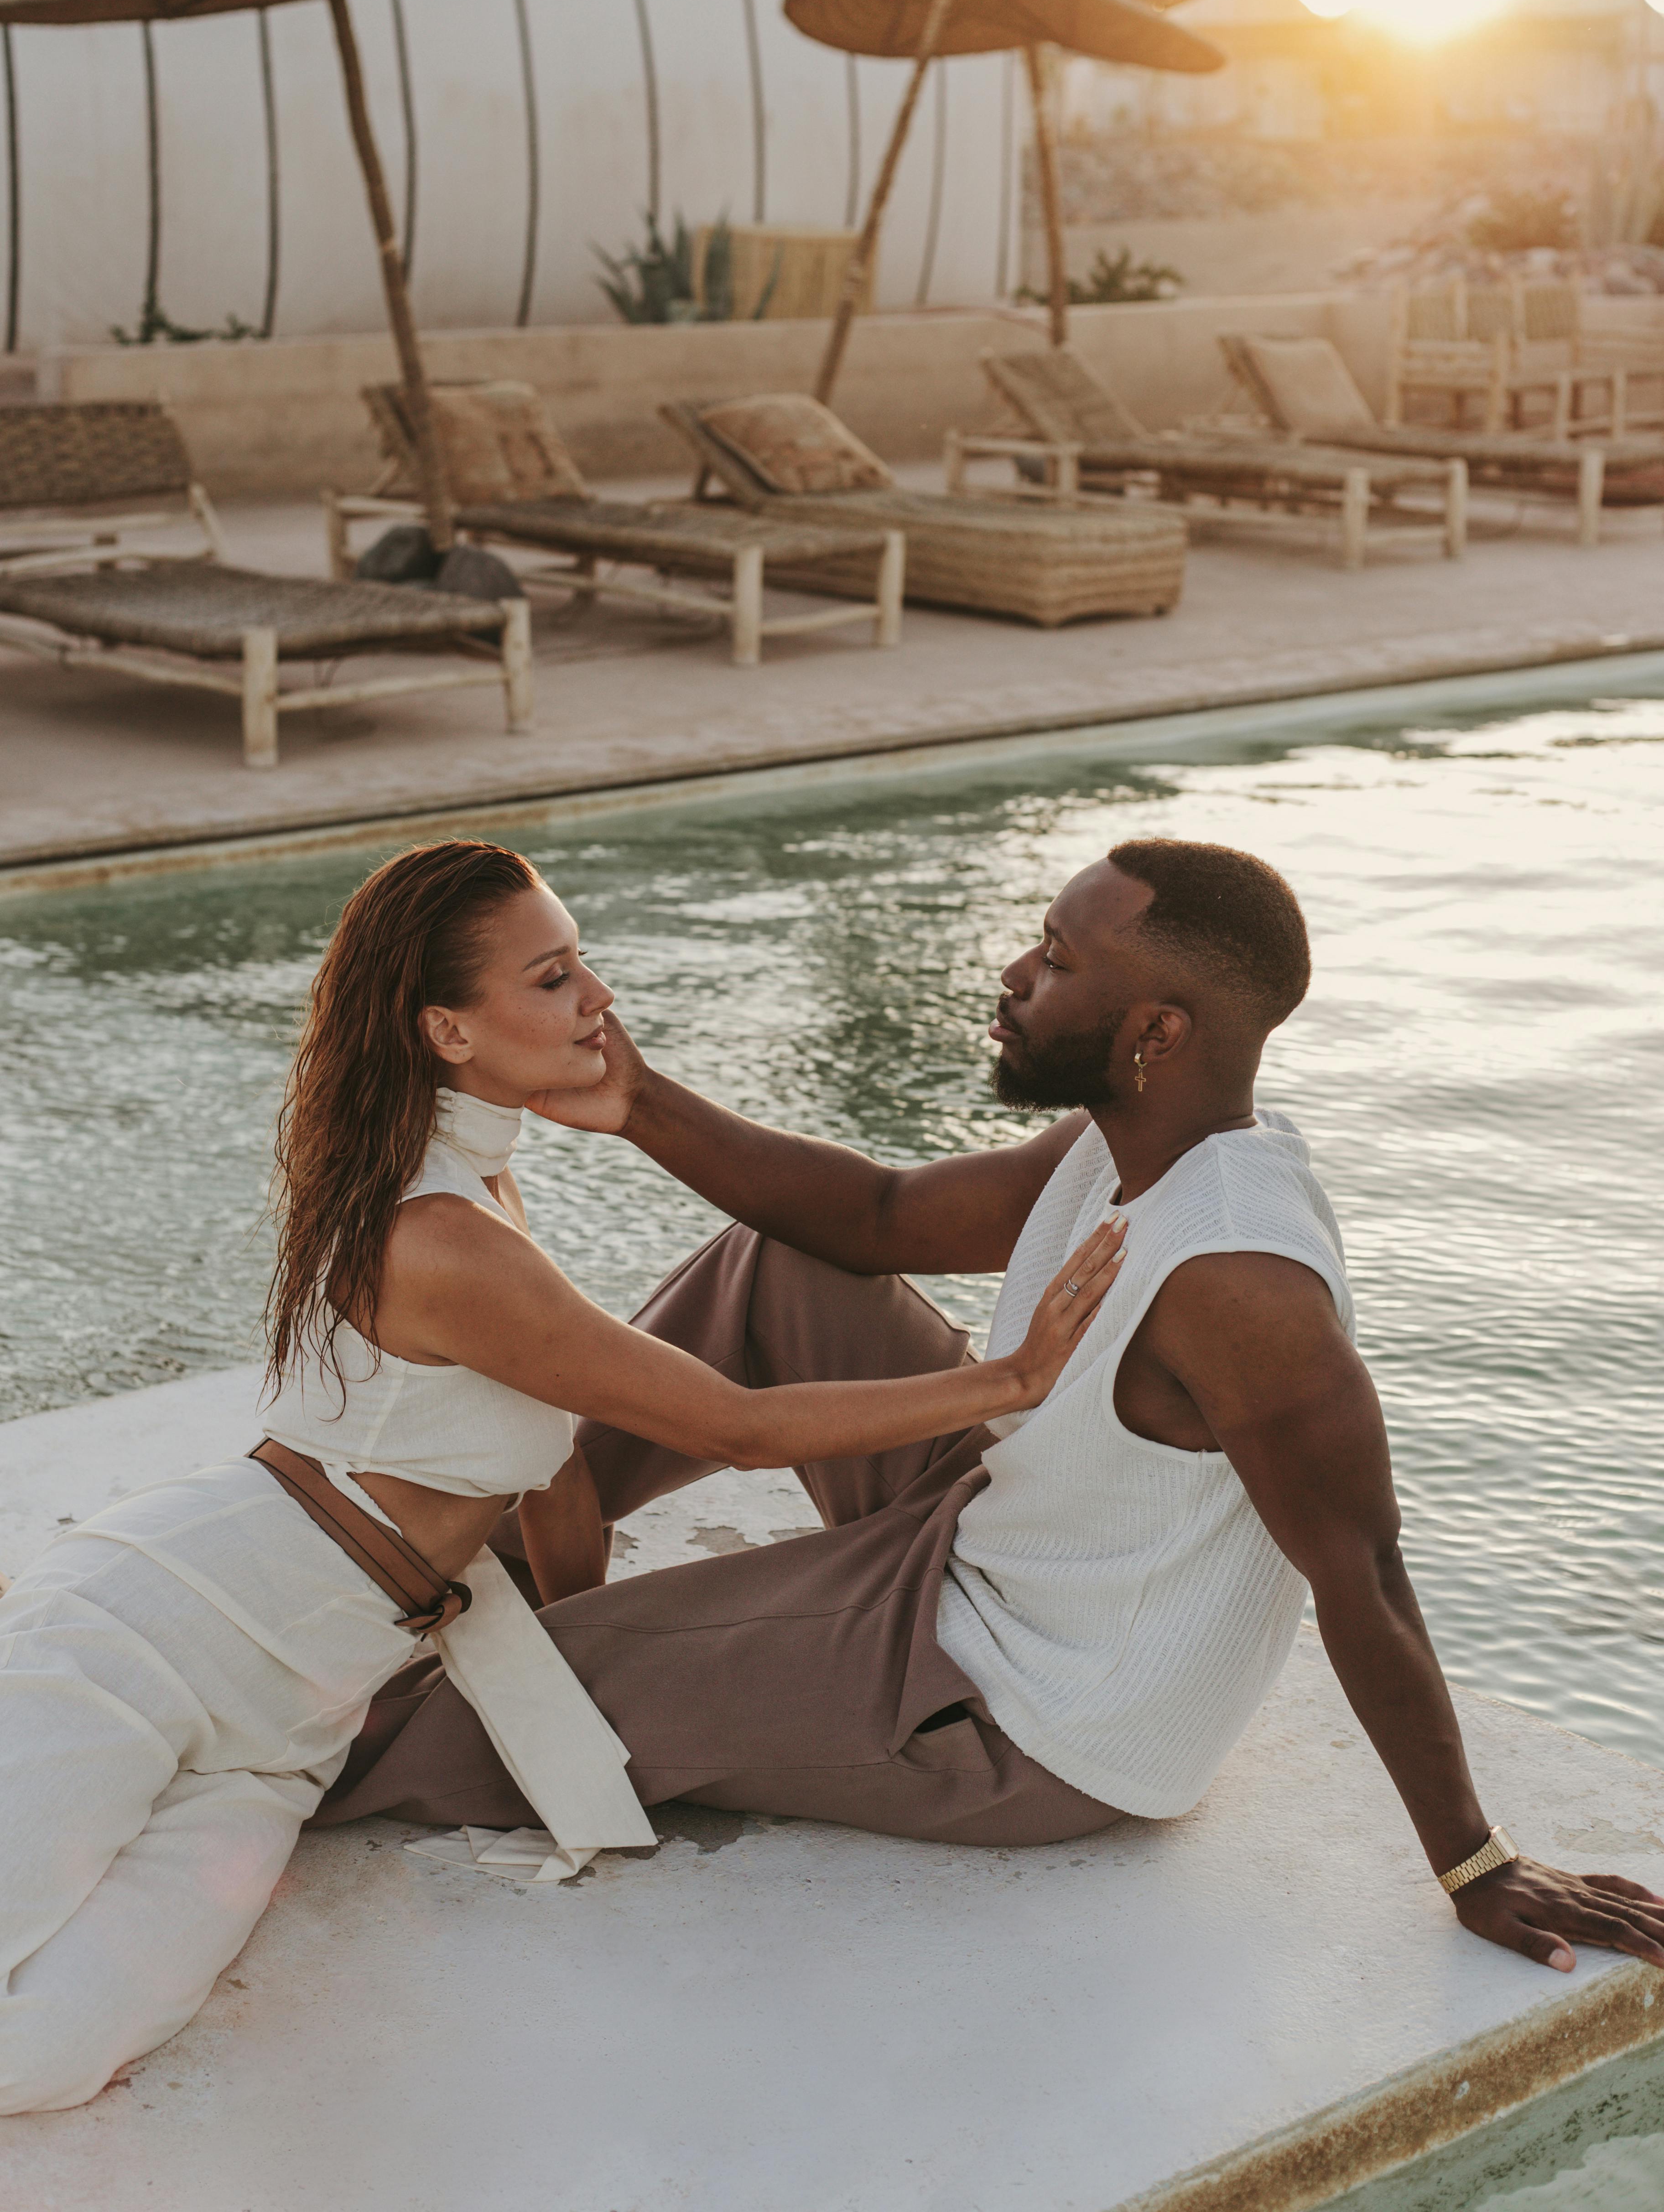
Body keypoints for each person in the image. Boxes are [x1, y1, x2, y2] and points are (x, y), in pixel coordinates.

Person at [323, 836, 1664, 1983]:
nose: (1017, 976)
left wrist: (1474, 1861)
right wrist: (640, 1105)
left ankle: (277, 1747)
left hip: (1019, 1701)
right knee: (777, 1266)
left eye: (1060, 960)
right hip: (990, 1527)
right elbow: (876, 1217)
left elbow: (1363, 1570)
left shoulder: (1239, 1279)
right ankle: (491, 1528)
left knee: (529, 1694)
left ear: (1158, 1032)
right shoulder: (1125, 1140)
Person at [0, 841, 1122, 2116]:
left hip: (289, 1734)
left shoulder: (478, 1188)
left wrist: (584, 1647)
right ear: (447, 1031)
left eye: (582, 960)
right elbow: (740, 1428)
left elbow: (555, 1477)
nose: (599, 997)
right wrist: (1005, 1381)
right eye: (553, 977)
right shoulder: (435, 1237)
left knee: (51, 2056)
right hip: (158, 1629)